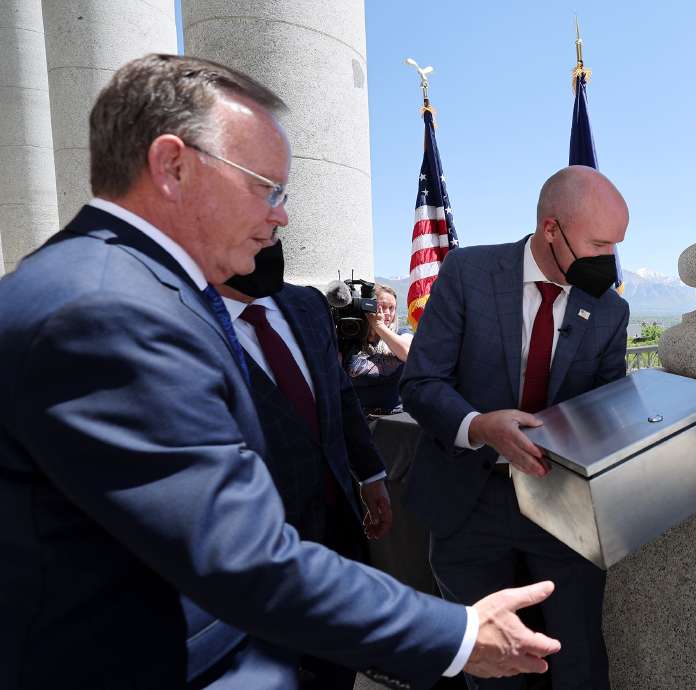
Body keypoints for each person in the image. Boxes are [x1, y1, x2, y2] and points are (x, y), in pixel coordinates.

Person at [0, 53, 559, 690]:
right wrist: (459, 635)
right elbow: (241, 561)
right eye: (264, 186)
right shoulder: (108, 311)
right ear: (172, 166)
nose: (282, 216)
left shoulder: (127, 285)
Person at [402, 165, 631, 690]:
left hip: (563, 509)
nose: (608, 261)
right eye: (597, 244)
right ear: (552, 229)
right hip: (467, 504)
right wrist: (480, 426)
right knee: (491, 669)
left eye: (615, 244)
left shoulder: (610, 311)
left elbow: (605, 407)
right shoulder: (467, 274)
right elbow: (420, 383)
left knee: (577, 658)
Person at [216, 240, 396, 689]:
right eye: (259, 208)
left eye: (280, 204)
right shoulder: (177, 325)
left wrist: (371, 476)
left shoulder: (307, 305)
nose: (278, 225)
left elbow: (338, 394)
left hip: (337, 535)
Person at [348, 283, 413, 414]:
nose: (387, 313)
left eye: (392, 308)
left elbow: (407, 353)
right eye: (381, 307)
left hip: (395, 417)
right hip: (358, 416)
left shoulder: (402, 333)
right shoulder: (351, 338)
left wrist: (378, 325)